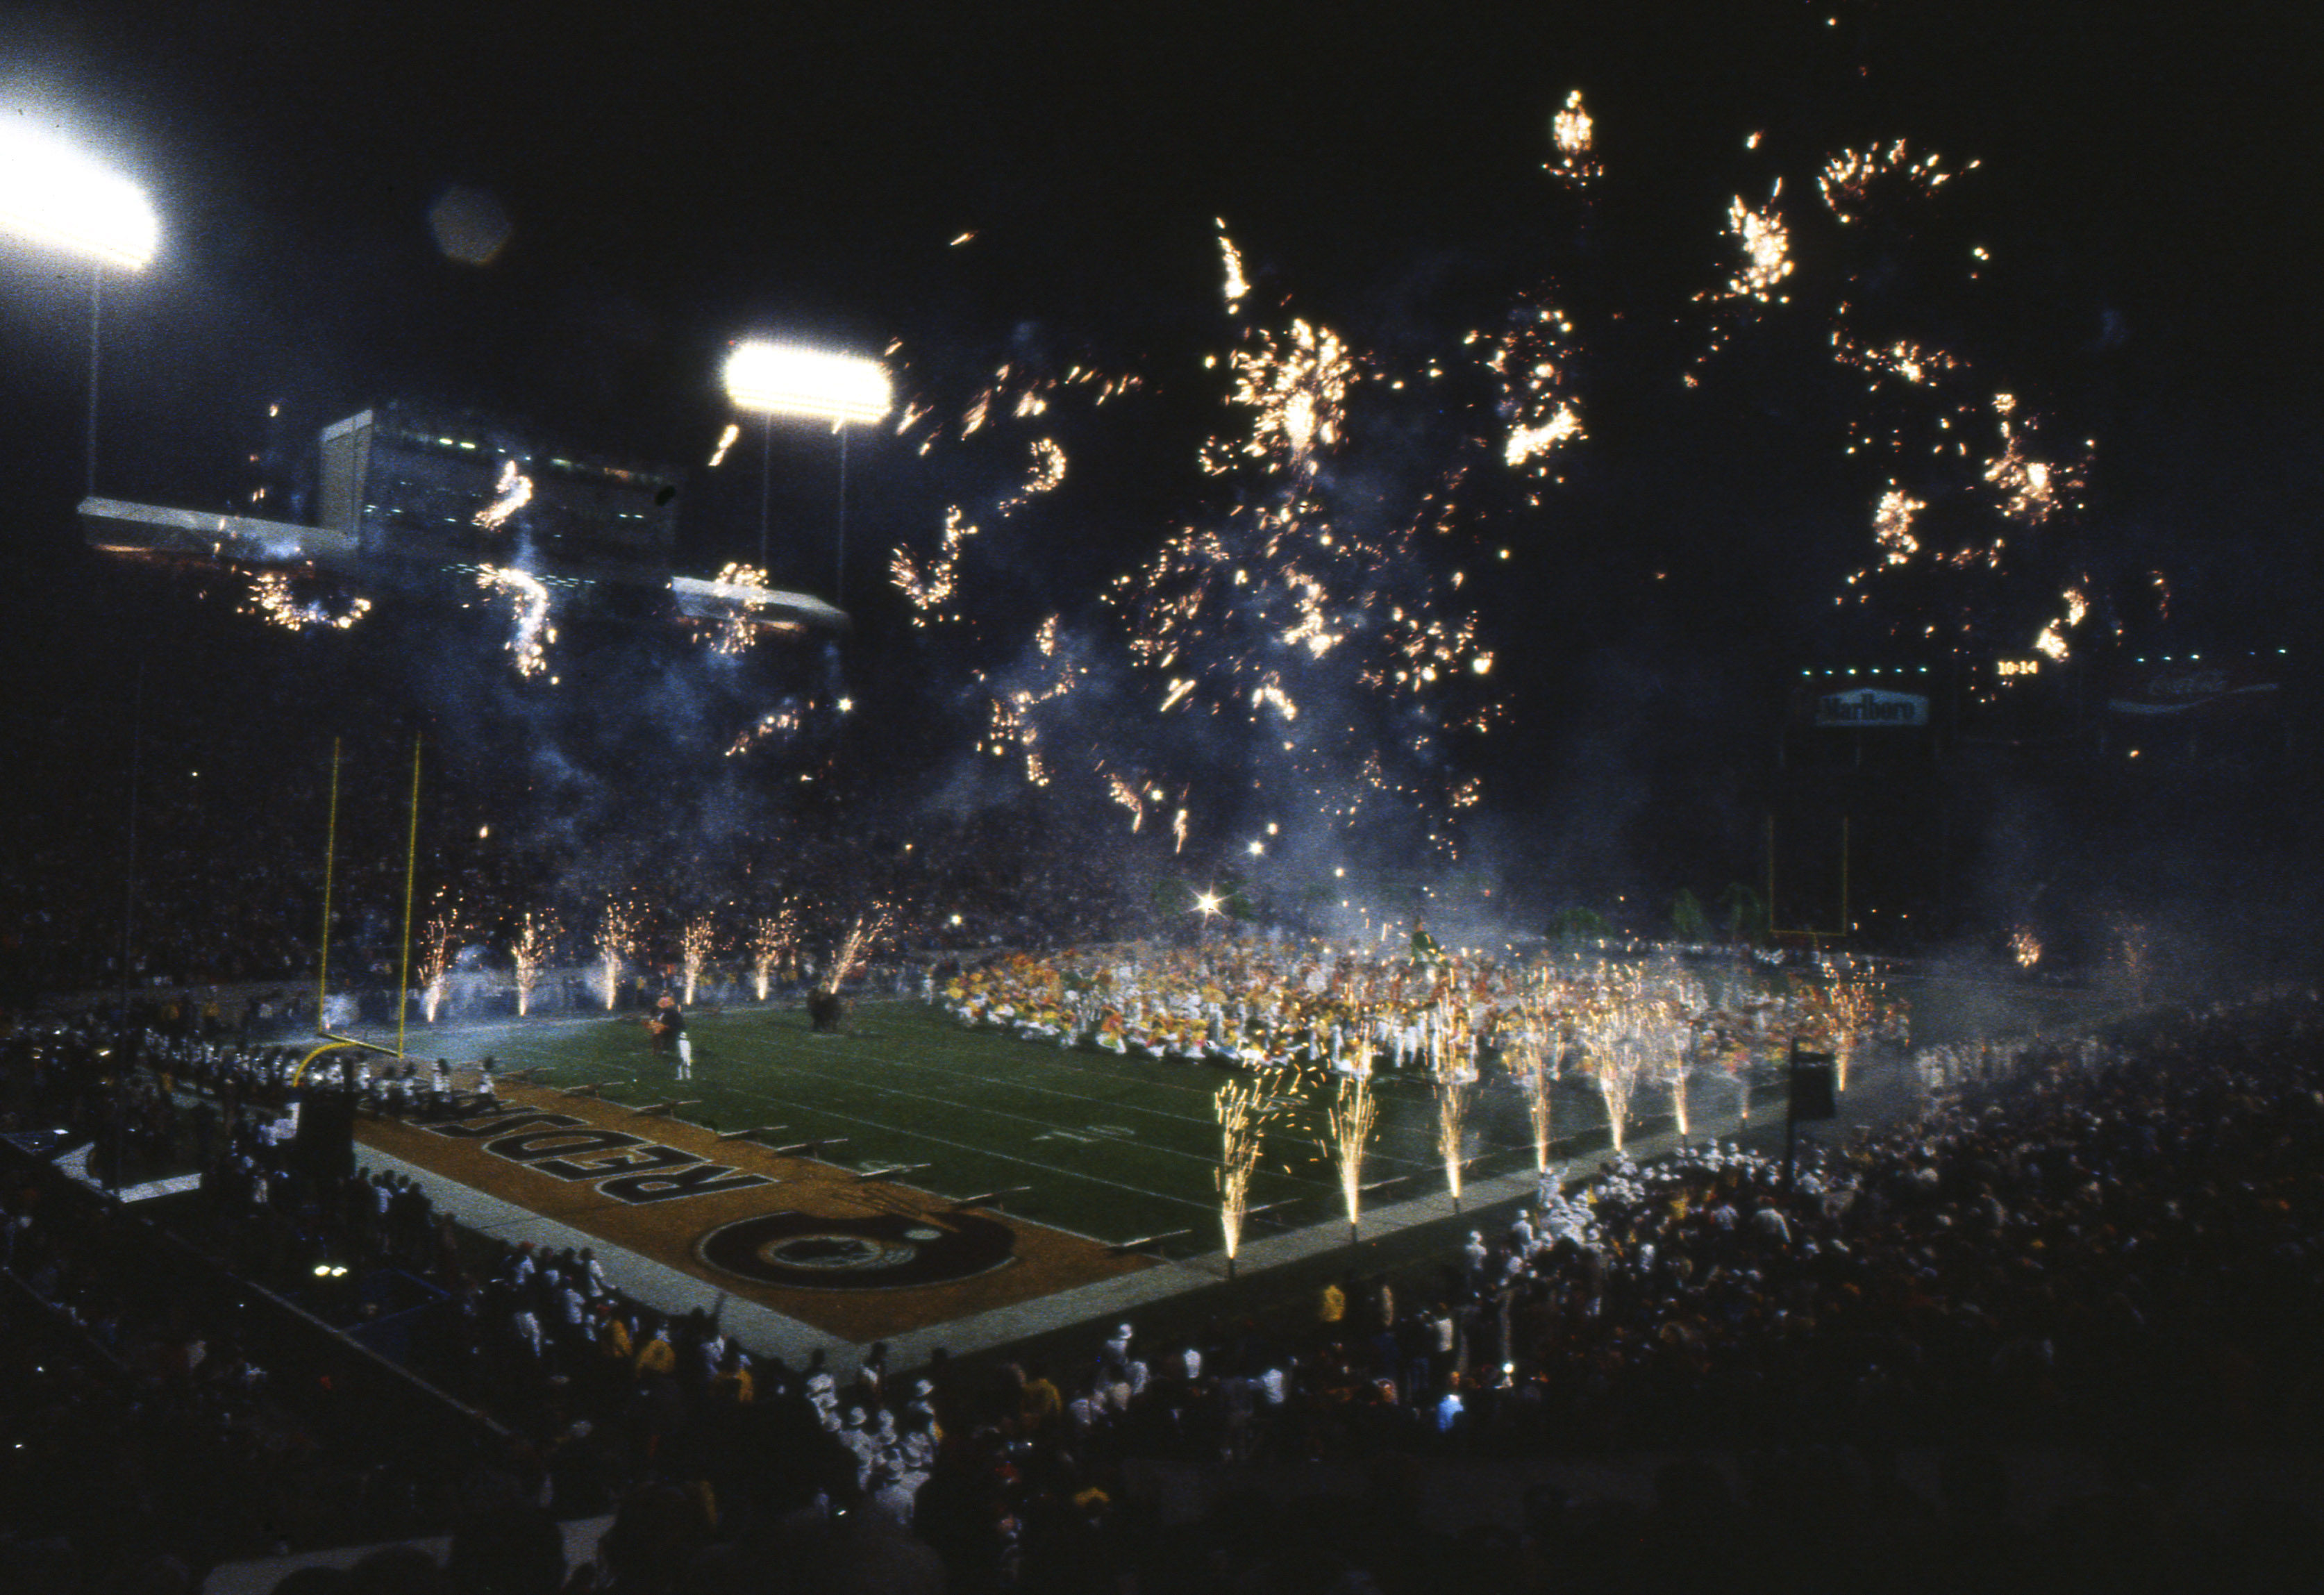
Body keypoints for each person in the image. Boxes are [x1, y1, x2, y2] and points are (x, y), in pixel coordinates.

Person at [651, 994, 692, 1080]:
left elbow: (677, 1026)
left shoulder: (671, 1013)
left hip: (676, 1036)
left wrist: (663, 1028)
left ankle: (682, 1075)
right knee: (675, 1056)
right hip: (670, 1035)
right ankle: (681, 1074)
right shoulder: (664, 1013)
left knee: (679, 1057)